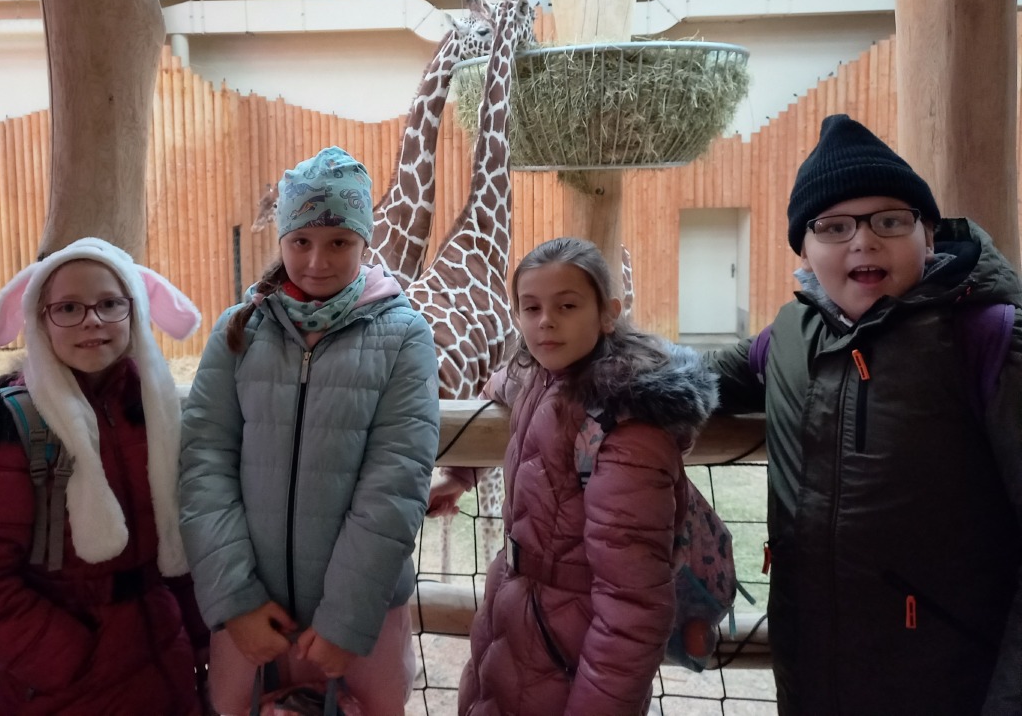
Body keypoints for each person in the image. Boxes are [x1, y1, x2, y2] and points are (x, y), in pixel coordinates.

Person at [707, 113, 1022, 715]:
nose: (864, 240)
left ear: (929, 236)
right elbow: (696, 379)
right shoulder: (790, 336)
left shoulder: (991, 339)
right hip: (812, 680)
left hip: (953, 687)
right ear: (804, 250)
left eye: (891, 220)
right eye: (833, 226)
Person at [180, 146, 440, 716]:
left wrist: (347, 621)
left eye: (339, 242)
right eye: (301, 241)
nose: (317, 261)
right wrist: (236, 601)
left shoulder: (404, 337)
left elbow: (396, 484)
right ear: (282, 240)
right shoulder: (239, 330)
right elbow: (204, 465)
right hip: (253, 620)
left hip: (361, 623)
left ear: (364, 241)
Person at [430, 237, 717, 716]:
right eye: (531, 307)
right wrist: (459, 475)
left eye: (566, 306)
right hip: (519, 624)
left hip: (568, 648)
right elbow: (503, 385)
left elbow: (633, 608)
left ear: (608, 314)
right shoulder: (538, 374)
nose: (545, 321)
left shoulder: (626, 431)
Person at [0, 237, 208, 715]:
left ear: (135, 310)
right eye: (69, 308)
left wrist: (198, 638)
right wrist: (72, 659)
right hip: (67, 689)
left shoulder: (153, 415)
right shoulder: (10, 433)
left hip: (165, 666)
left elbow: (176, 546)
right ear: (40, 319)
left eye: (110, 304)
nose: (92, 320)